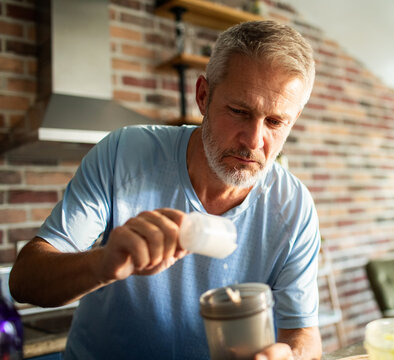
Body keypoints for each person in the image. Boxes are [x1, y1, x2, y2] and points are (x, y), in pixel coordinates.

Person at [9, 20, 322, 359]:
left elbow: (303, 332)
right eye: (238, 111)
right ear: (203, 95)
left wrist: (289, 356)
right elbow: (24, 280)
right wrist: (101, 264)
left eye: (275, 122)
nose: (254, 141)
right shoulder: (124, 154)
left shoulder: (294, 207)